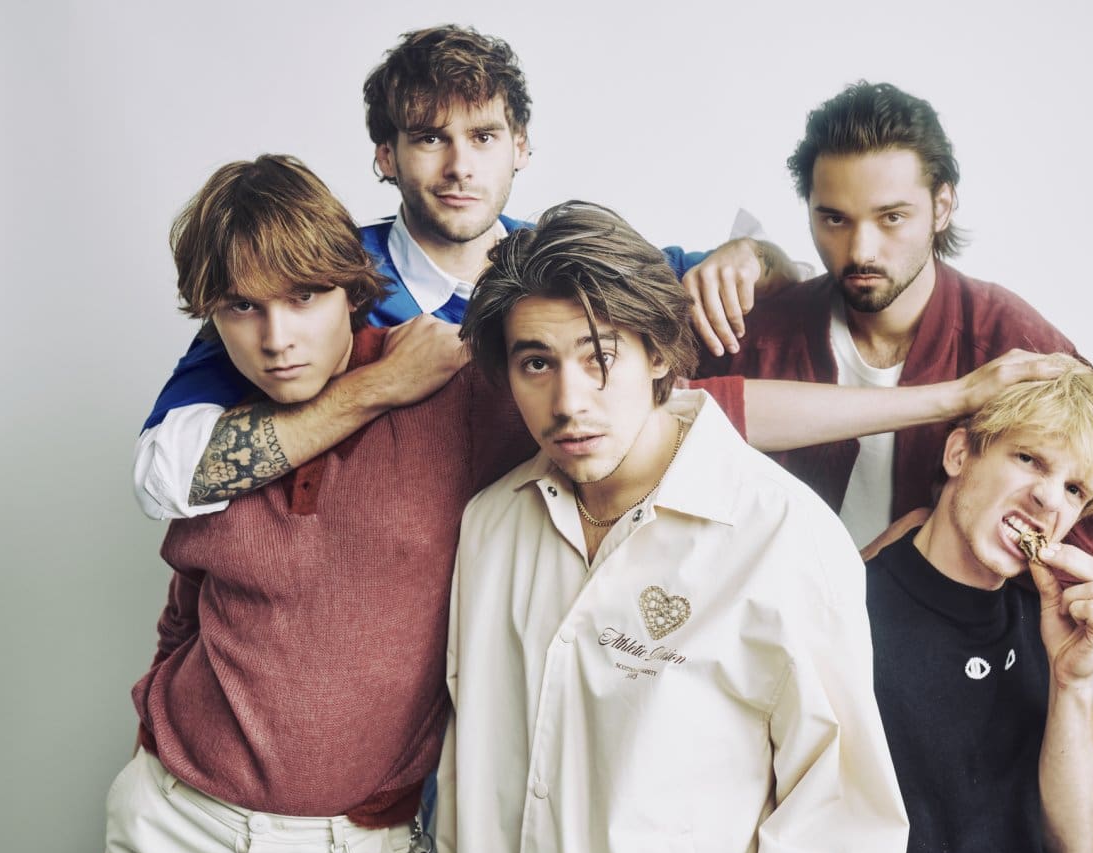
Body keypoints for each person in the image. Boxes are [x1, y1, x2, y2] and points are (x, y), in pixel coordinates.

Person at [132, 24, 800, 521]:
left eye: (482, 137)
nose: (459, 168)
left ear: (520, 146)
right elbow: (164, 474)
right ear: (386, 155)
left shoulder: (571, 265)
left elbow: (785, 278)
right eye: (429, 138)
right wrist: (379, 385)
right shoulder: (317, 279)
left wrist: (749, 255)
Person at [438, 201, 910, 853]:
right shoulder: (492, 525)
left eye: (600, 356)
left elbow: (841, 827)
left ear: (658, 353)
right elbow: (466, 779)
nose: (569, 402)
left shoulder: (783, 537)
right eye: (537, 364)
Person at [103, 155, 538, 853]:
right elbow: (187, 611)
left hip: (352, 843)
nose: (276, 340)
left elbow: (615, 415)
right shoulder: (211, 425)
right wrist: (144, 769)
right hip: (172, 821)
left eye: (303, 297)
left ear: (352, 290)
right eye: (242, 307)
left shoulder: (456, 395)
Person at [697, 81, 1093, 612]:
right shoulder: (758, 330)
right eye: (834, 219)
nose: (860, 250)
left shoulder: (1009, 342)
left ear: (941, 206)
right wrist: (755, 252)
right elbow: (656, 440)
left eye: (891, 217)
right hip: (766, 637)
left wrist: (959, 525)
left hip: (944, 651)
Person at [866, 357, 1093, 853]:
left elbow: (1078, 851)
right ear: (959, 454)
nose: (1048, 498)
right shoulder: (851, 606)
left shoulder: (1049, 618)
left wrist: (1073, 684)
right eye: (1029, 459)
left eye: (1074, 489)